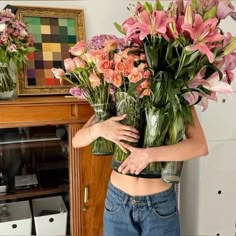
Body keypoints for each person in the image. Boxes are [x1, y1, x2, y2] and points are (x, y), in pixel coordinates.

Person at [72, 106, 208, 236]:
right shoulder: (117, 91)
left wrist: (149, 155)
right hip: (117, 202)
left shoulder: (179, 91)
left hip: (159, 205)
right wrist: (99, 129)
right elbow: (76, 141)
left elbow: (199, 146)